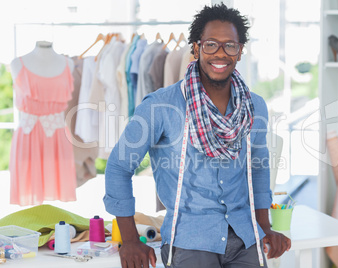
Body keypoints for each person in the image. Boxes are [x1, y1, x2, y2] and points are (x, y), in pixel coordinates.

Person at [103, 3, 291, 268]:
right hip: (189, 240)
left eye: (230, 45)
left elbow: (257, 169)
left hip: (245, 237)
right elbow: (118, 167)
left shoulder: (254, 106)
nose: (221, 53)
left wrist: (264, 227)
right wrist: (131, 240)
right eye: (211, 44)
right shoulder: (161, 106)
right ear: (196, 48)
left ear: (240, 52)